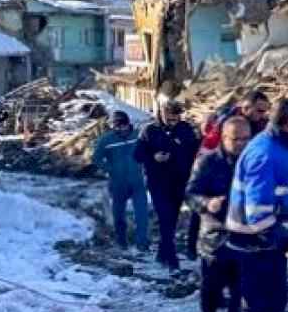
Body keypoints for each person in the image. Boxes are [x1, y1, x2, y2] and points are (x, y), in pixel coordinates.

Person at [226, 98, 288, 312]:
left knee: (275, 302)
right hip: (252, 242)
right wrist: (287, 244)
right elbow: (257, 214)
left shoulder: (284, 147)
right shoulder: (264, 153)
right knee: (255, 305)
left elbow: (285, 189)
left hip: (270, 239)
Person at [186, 115, 250, 312]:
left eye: (246, 139)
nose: (241, 144)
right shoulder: (208, 162)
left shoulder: (253, 162)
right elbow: (190, 194)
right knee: (211, 289)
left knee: (240, 291)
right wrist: (207, 203)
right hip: (215, 238)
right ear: (223, 138)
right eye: (236, 139)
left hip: (245, 237)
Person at [192, 90, 270, 259]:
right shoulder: (226, 123)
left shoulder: (260, 124)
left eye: (265, 111)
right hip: (216, 172)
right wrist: (207, 201)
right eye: (259, 110)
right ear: (247, 107)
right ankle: (194, 246)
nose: (262, 115)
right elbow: (209, 147)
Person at [135, 97, 200, 270]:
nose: (172, 122)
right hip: (158, 182)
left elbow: (195, 150)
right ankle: (172, 260)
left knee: (172, 220)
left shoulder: (186, 129)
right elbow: (138, 154)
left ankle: (162, 253)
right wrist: (153, 157)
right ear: (161, 114)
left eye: (175, 118)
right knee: (165, 218)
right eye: (169, 118)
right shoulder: (149, 130)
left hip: (180, 181)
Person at [92, 111, 149, 252]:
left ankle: (142, 243)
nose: (120, 129)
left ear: (128, 123)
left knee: (142, 213)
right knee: (118, 214)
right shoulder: (106, 140)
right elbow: (96, 158)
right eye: (117, 126)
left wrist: (146, 166)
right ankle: (121, 240)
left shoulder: (138, 136)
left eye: (123, 125)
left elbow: (148, 151)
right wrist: (110, 169)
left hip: (137, 181)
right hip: (117, 183)